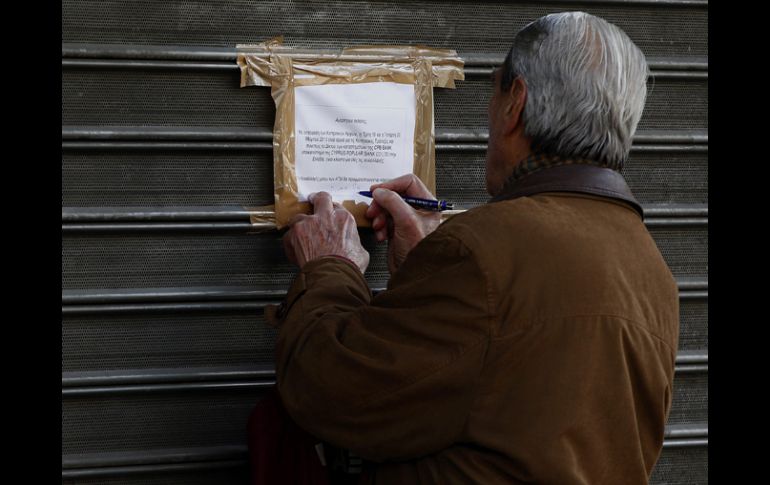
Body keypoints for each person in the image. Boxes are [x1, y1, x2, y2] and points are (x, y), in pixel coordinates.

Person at [267, 11, 679, 484]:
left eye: (495, 88)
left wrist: (330, 266)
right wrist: (424, 268)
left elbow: (331, 393)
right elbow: (508, 395)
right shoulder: (650, 266)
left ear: (515, 104)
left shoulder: (484, 253)